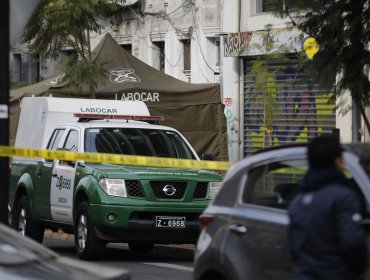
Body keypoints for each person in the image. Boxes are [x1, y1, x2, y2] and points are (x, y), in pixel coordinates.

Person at [288, 136, 368, 280]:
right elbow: (352, 243)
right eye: (341, 159)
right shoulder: (343, 197)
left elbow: (294, 249)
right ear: (337, 161)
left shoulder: (297, 202)